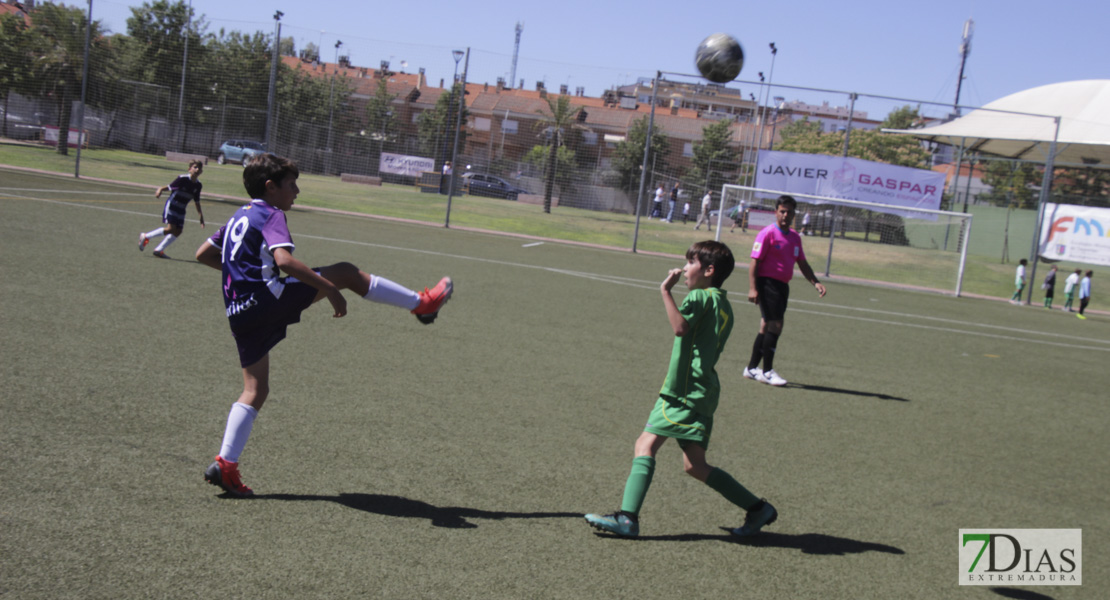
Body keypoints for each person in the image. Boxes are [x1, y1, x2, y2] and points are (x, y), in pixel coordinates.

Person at [194, 154, 453, 497]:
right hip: (266, 300)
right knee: (345, 272)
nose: (297, 191)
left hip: (238, 311)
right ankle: (422, 303)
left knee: (255, 390)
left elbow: (204, 254)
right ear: (271, 188)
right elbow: (283, 261)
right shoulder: (271, 213)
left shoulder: (238, 216)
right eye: (291, 185)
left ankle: (226, 465)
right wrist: (329, 289)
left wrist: (245, 281)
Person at [584, 240, 777, 538]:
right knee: (695, 466)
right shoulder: (724, 304)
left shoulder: (699, 297)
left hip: (682, 392)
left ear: (709, 270)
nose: (685, 268)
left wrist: (665, 291)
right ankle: (757, 508)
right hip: (704, 391)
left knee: (644, 446)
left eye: (691, 263)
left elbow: (680, 328)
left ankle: (627, 518)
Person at [743, 195, 826, 387]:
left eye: (789, 212)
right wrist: (753, 288)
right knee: (776, 325)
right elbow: (754, 262)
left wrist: (815, 282)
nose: (786, 215)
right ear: (776, 212)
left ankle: (751, 368)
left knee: (766, 325)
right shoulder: (767, 233)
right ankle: (767, 371)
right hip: (767, 284)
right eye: (782, 211)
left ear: (794, 214)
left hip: (782, 286)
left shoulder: (795, 237)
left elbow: (802, 263)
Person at [138, 160, 205, 258]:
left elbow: (197, 201)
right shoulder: (182, 179)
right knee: (171, 228)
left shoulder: (198, 185)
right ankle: (146, 236)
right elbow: (169, 187)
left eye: (199, 168)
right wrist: (160, 189)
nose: (197, 169)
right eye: (195, 167)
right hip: (172, 205)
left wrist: (201, 216)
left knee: (178, 231)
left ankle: (159, 250)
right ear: (189, 169)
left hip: (181, 209)